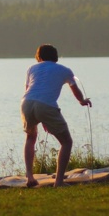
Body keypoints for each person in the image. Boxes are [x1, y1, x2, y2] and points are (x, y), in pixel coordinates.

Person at [21, 44, 92, 187]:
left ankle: (30, 177)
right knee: (66, 142)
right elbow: (75, 89)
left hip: (26, 102)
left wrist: (42, 117)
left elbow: (29, 89)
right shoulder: (64, 70)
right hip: (45, 105)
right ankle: (59, 182)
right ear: (56, 57)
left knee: (30, 137)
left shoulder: (32, 68)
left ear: (39, 57)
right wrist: (82, 101)